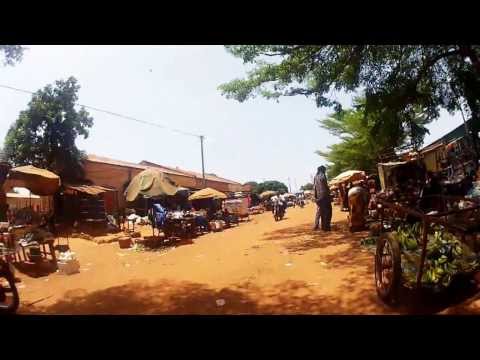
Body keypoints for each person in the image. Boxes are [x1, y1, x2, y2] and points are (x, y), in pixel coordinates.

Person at [313, 166, 332, 231]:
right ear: (322, 170)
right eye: (324, 170)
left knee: (320, 211)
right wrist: (329, 193)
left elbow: (314, 187)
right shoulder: (322, 175)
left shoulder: (315, 177)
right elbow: (325, 185)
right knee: (328, 211)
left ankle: (316, 226)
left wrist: (315, 197)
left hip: (318, 197)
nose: (325, 171)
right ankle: (326, 227)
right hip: (324, 196)